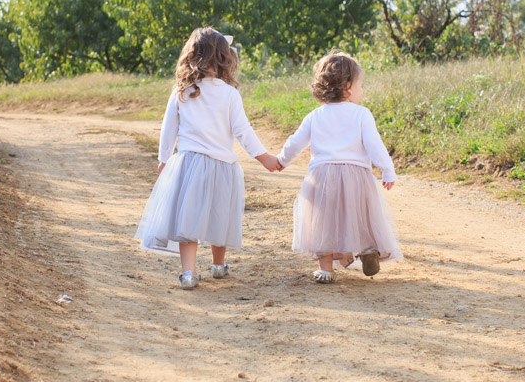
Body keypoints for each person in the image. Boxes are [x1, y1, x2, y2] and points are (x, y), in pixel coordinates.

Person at [135, 27, 282, 290]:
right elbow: (243, 131)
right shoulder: (229, 94)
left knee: (187, 221)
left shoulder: (182, 91)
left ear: (190, 57)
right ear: (225, 59)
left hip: (189, 164)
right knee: (219, 216)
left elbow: (169, 128)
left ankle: (189, 273)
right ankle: (217, 265)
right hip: (223, 166)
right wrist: (264, 157)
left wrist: (164, 158)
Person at [276, 49, 402, 283]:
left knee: (324, 223)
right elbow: (375, 145)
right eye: (361, 85)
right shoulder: (361, 114)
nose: (362, 91)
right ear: (348, 86)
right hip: (356, 175)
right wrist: (387, 169)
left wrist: (282, 160)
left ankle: (326, 269)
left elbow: (296, 142)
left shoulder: (315, 115)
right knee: (360, 216)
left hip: (323, 176)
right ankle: (366, 250)